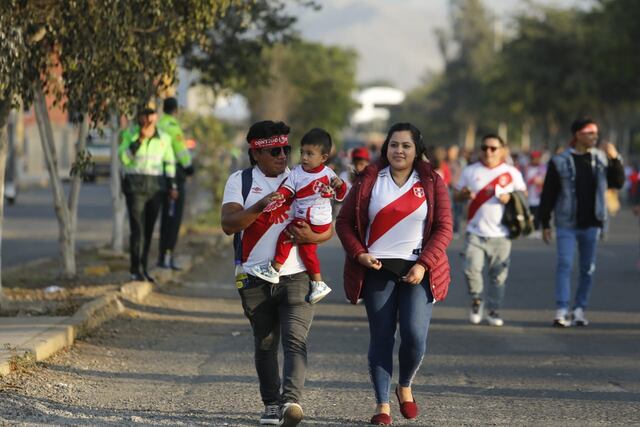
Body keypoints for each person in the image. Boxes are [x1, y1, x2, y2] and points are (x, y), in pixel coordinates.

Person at [336, 122, 453, 425]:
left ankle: (405, 386)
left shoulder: (431, 181)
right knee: (382, 337)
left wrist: (424, 264)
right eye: (394, 145)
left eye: (406, 146)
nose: (399, 150)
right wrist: (359, 253)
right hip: (377, 270)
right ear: (385, 148)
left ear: (417, 151)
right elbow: (345, 223)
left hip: (418, 270)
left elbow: (444, 228)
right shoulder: (369, 181)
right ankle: (382, 404)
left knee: (414, 337)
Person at [220, 121, 332, 426]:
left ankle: (290, 403)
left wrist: (312, 237)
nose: (283, 155)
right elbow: (229, 223)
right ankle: (271, 403)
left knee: (296, 341)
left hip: (296, 274)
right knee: (266, 342)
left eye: (286, 148)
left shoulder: (300, 177)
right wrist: (260, 205)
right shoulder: (240, 181)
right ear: (256, 154)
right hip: (254, 276)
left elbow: (327, 230)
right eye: (274, 151)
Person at [537, 118, 625, 327]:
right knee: (565, 264)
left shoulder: (602, 159)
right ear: (577, 134)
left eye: (596, 133)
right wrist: (545, 223)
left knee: (587, 268)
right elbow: (549, 193)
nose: (595, 136)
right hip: (567, 221)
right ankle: (562, 309)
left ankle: (579, 309)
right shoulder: (559, 161)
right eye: (590, 133)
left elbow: (618, 182)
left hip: (593, 222)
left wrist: (615, 158)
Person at [251, 128, 346, 304]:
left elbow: (340, 195)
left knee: (287, 236)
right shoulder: (296, 172)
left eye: (310, 154)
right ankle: (317, 282)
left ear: (323, 158)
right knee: (306, 250)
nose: (304, 157)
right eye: (302, 152)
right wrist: (280, 195)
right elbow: (288, 189)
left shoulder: (328, 174)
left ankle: (275, 268)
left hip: (317, 221)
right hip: (305, 218)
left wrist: (339, 186)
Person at [454, 134, 527, 327]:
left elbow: (524, 196)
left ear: (502, 150)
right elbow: (456, 196)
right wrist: (463, 194)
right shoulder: (470, 171)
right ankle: (477, 301)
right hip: (475, 231)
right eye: (485, 147)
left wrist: (510, 198)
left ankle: (494, 309)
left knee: (498, 276)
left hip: (501, 234)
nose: (488, 152)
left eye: (493, 148)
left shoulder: (511, 172)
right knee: (471, 270)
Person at [118, 102, 177, 282]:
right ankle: (135, 269)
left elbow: (170, 162)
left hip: (155, 188)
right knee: (138, 229)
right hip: (134, 187)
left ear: (155, 116)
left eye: (151, 114)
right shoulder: (129, 134)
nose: (148, 118)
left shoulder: (164, 138)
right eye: (145, 114)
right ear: (139, 117)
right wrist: (139, 140)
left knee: (150, 229)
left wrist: (173, 186)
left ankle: (144, 268)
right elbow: (124, 158)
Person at [157, 97, 194, 270]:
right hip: (175, 175)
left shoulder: (158, 124)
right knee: (173, 218)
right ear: (175, 110)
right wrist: (189, 167)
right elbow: (180, 150)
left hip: (160, 174)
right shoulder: (172, 126)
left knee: (165, 217)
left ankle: (162, 256)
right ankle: (167, 257)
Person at [525, 150, 546, 235]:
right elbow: (524, 180)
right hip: (530, 195)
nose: (535, 160)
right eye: (533, 158)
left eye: (537, 158)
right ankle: (531, 229)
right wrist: (531, 181)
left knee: (538, 213)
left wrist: (541, 182)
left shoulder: (543, 168)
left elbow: (547, 180)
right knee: (531, 214)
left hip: (539, 195)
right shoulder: (527, 168)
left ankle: (537, 229)